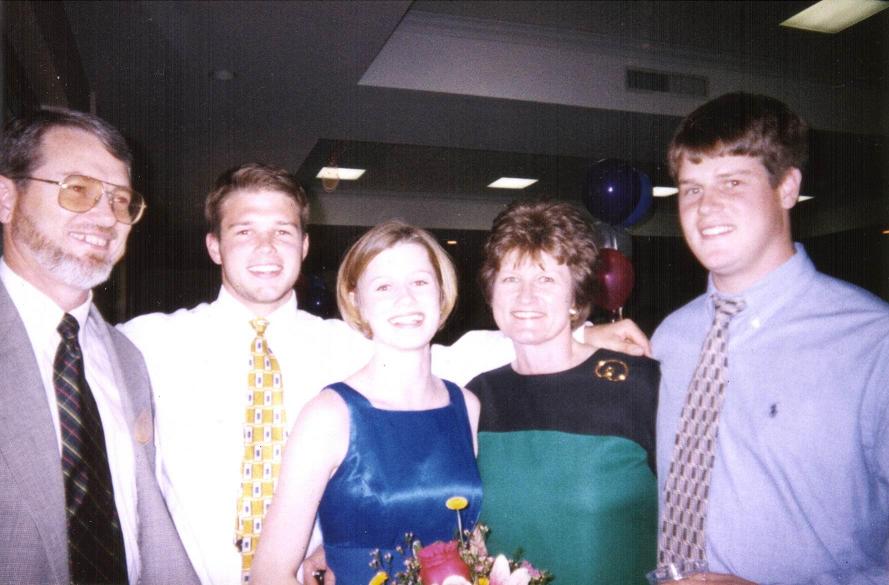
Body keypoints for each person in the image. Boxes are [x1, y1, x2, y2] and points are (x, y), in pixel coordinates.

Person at [118, 163, 648, 585]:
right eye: (244, 231)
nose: (266, 248)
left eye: (283, 231)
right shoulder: (145, 343)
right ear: (214, 245)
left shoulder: (349, 344)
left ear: (305, 245)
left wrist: (582, 333)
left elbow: (446, 359)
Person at [653, 92, 889, 584]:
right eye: (691, 189)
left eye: (732, 181)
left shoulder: (873, 342)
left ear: (787, 187)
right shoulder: (670, 338)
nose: (705, 207)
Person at [0, 108, 198, 584]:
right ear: (6, 199)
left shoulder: (128, 359)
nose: (108, 216)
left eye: (121, 199)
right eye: (78, 189)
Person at [252, 220, 483, 585]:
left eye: (420, 282)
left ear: (441, 293)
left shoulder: (466, 406)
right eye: (384, 286)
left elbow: (470, 543)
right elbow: (269, 573)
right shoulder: (329, 415)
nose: (405, 299)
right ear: (357, 300)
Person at [467, 200, 659, 585]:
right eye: (511, 279)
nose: (526, 298)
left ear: (577, 297)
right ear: (491, 293)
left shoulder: (640, 385)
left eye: (546, 280)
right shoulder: (477, 397)